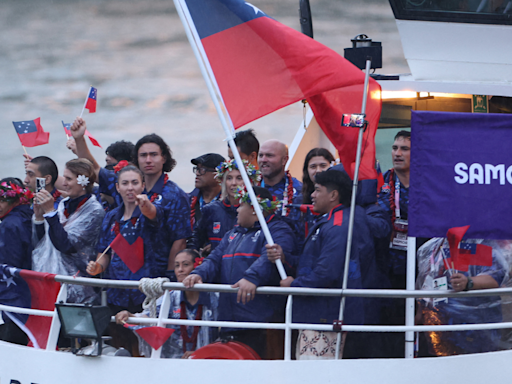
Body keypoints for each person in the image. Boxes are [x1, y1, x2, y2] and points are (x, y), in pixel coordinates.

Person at [267, 167, 376, 360]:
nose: (312, 195)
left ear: (333, 195)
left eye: (317, 190)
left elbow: (326, 272)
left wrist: (294, 285)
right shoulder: (331, 221)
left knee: (314, 374)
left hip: (325, 316)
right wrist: (285, 259)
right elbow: (313, 264)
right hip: (320, 313)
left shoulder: (337, 226)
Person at [70, 118, 191, 281]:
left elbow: (179, 241)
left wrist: (170, 278)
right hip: (121, 274)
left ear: (164, 158)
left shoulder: (175, 194)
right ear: (136, 159)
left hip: (156, 276)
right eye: (143, 155)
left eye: (154, 155)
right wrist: (79, 138)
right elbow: (95, 169)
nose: (148, 160)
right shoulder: (125, 183)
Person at [183, 186, 295, 359]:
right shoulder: (232, 234)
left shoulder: (278, 230)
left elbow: (270, 256)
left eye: (241, 205)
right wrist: (199, 273)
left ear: (254, 210)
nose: (236, 209)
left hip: (261, 323)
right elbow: (214, 259)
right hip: (229, 321)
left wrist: (252, 277)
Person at [115, 249, 219, 359]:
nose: (180, 270)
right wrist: (129, 315)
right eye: (177, 266)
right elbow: (148, 317)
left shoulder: (214, 298)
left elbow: (223, 336)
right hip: (173, 361)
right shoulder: (171, 296)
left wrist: (200, 353)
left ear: (198, 267)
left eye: (185, 265)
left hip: (208, 360)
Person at [416, 237, 510, 356]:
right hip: (440, 324)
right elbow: (427, 279)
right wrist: (420, 311)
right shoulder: (432, 247)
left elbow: (495, 278)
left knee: (477, 366)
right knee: (442, 366)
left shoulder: (487, 245)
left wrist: (469, 282)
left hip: (476, 325)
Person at [32, 159, 104, 303]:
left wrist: (50, 213)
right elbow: (44, 242)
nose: (63, 183)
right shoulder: (63, 204)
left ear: (83, 181)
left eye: (69, 179)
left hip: (78, 287)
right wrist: (40, 217)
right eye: (64, 177)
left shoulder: (94, 211)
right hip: (50, 281)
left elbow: (66, 246)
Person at [188, 159, 261, 254]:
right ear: (223, 182)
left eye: (239, 178)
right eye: (229, 178)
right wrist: (194, 254)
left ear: (249, 182)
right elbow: (195, 239)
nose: (233, 183)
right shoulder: (211, 209)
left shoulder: (255, 211)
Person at [258, 140, 302, 215]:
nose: (263, 160)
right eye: (261, 155)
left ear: (284, 160)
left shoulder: (299, 190)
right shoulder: (249, 187)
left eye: (269, 155)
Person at [0, 178, 34, 270]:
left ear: (16, 201)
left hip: (16, 281)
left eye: (2, 200)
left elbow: (8, 265)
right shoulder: (31, 215)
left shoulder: (9, 225)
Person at [189, 153, 225, 230]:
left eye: (202, 170)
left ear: (218, 175)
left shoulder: (229, 203)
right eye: (197, 169)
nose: (197, 173)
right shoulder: (187, 201)